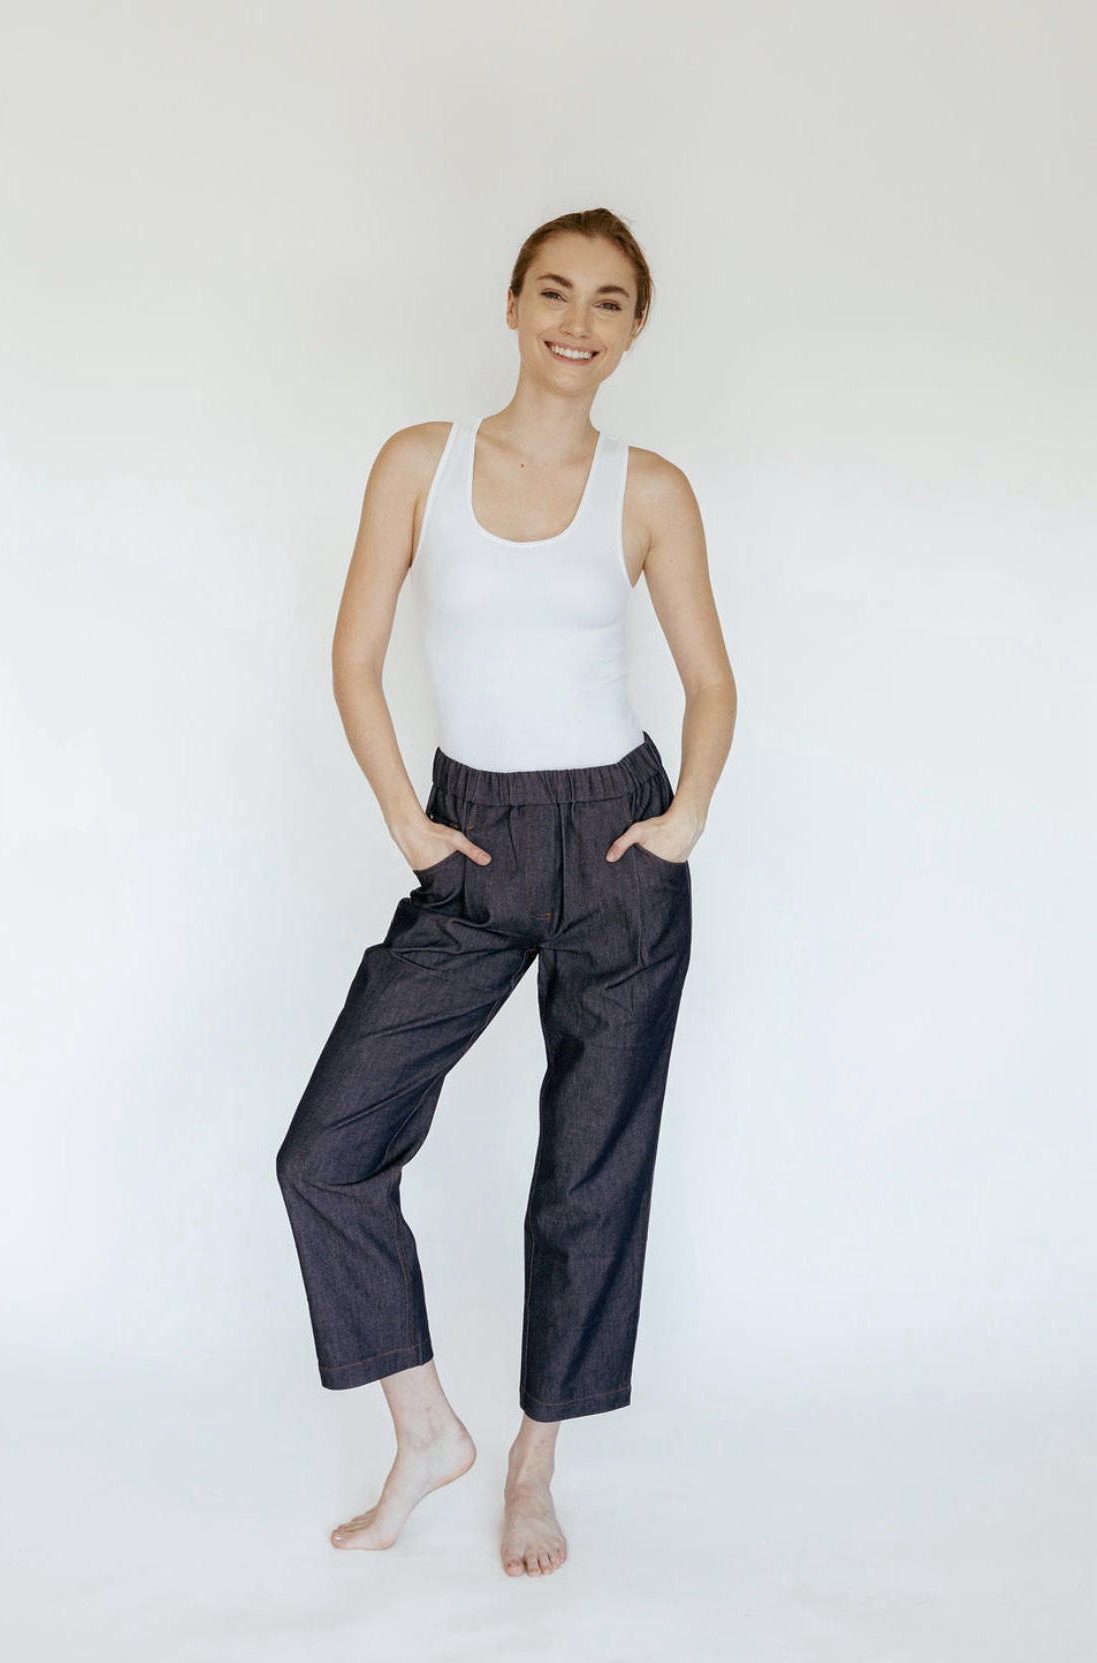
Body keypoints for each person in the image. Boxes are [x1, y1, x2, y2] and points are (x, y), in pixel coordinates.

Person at [276, 206, 736, 1578]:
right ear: (516, 303)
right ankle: (426, 1431)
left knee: (590, 1173)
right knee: (326, 1152)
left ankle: (537, 1461)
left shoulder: (650, 490)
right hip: (470, 841)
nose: (576, 323)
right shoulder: (420, 463)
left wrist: (682, 822)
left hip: (618, 845)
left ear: (634, 330)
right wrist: (409, 825)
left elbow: (711, 683)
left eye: (608, 302)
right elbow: (355, 657)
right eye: (554, 291)